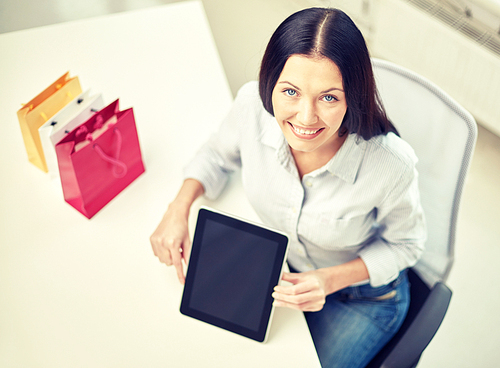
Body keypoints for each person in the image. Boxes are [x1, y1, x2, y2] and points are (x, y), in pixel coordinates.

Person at [150, 7, 426, 368]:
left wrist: (328, 280)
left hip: (364, 298)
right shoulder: (252, 106)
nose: (306, 118)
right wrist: (178, 208)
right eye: (291, 91)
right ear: (270, 83)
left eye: (329, 97)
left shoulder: (391, 165)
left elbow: (406, 245)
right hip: (283, 273)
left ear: (352, 98)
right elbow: (217, 154)